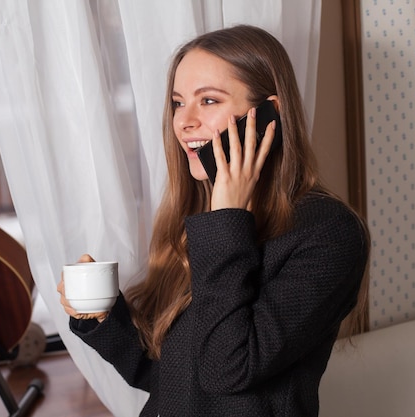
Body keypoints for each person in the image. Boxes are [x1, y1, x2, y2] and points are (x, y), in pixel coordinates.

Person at [58, 25, 370, 417]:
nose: (183, 121)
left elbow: (228, 370)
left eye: (208, 101)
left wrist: (226, 219)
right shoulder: (205, 223)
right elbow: (171, 379)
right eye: (177, 102)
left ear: (269, 114)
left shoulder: (328, 232)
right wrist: (105, 318)